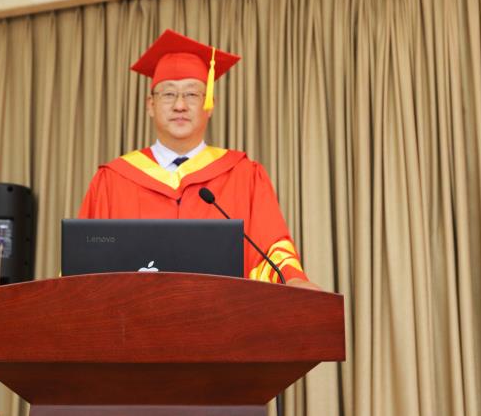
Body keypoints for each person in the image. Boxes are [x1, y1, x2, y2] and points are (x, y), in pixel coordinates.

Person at [78, 29, 319, 290]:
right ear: (150, 105)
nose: (180, 105)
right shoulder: (112, 180)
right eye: (168, 94)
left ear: (210, 104)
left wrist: (292, 279)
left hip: (223, 314)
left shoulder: (244, 175)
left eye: (192, 94)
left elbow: (272, 247)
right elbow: (82, 262)